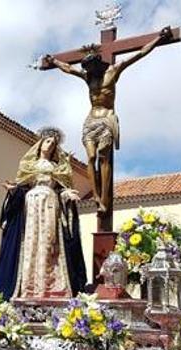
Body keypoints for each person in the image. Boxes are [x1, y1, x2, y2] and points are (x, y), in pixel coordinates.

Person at [41, 27, 172, 213]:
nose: (88, 71)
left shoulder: (113, 72)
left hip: (107, 120)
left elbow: (139, 54)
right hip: (91, 121)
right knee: (91, 157)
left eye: (91, 68)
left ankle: (104, 198)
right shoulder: (88, 77)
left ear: (97, 63)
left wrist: (158, 38)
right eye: (86, 69)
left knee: (103, 156)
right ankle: (95, 196)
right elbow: (69, 68)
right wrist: (53, 60)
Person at [0, 127, 87, 299]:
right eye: (48, 141)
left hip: (50, 204)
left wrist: (67, 194)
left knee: (49, 242)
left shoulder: (56, 167)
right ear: (40, 143)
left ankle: (49, 287)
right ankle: (28, 287)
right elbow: (22, 186)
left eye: (53, 143)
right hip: (31, 206)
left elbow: (61, 189)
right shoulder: (28, 165)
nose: (50, 145)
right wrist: (13, 191)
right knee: (30, 243)